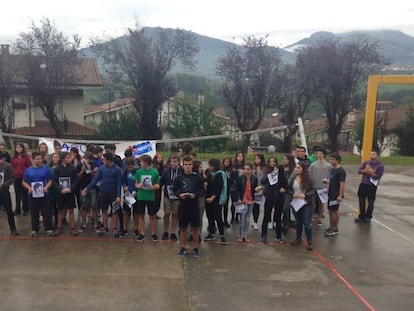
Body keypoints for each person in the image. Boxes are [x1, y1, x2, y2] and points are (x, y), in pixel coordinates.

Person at [82, 153, 122, 237]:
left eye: (103, 159)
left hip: (113, 193)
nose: (102, 161)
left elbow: (119, 183)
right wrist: (87, 188)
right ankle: (105, 227)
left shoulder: (117, 169)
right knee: (104, 210)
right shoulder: (102, 168)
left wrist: (118, 195)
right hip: (103, 192)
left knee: (114, 211)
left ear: (109, 160)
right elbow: (95, 180)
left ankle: (115, 228)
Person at [173, 156, 204, 257]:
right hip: (183, 206)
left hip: (194, 206)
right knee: (183, 228)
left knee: (195, 228)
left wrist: (195, 195)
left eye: (190, 164)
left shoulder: (198, 177)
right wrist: (179, 195)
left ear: (192, 165)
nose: (188, 167)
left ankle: (195, 248)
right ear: (183, 165)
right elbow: (174, 190)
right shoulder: (179, 178)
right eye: (186, 165)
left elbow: (202, 191)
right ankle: (183, 247)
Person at [22, 151, 54, 237]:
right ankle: (34, 229)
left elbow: (50, 180)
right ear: (32, 159)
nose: (39, 160)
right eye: (37, 159)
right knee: (34, 212)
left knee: (46, 212)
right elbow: (24, 182)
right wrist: (29, 188)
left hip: (44, 194)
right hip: (33, 195)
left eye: (40, 159)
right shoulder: (28, 170)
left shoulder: (46, 169)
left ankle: (48, 229)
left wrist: (46, 187)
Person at [288, 161, 315, 250]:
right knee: (298, 222)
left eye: (299, 168)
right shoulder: (293, 178)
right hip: (295, 202)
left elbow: (313, 191)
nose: (296, 169)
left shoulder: (309, 179)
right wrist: (292, 194)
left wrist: (306, 195)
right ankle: (298, 238)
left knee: (306, 223)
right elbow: (288, 189)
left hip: (306, 203)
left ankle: (309, 241)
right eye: (296, 167)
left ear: (303, 169)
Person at [260, 157, 287, 244]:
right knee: (266, 216)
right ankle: (264, 235)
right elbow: (263, 181)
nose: (272, 163)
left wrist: (283, 188)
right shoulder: (267, 172)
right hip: (270, 196)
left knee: (278, 216)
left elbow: (285, 184)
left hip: (279, 197)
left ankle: (279, 235)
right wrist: (271, 175)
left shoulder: (281, 173)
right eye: (270, 162)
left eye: (274, 162)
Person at [134, 154, 160, 242]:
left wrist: (154, 187)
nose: (140, 163)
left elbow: (157, 184)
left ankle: (153, 233)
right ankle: (142, 233)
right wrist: (138, 185)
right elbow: (136, 184)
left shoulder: (154, 172)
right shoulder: (138, 172)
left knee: (152, 216)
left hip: (150, 197)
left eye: (141, 162)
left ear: (146, 162)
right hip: (141, 196)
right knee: (141, 215)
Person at [53, 152, 79, 236]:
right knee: (60, 210)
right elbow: (55, 181)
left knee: (71, 210)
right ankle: (59, 227)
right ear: (63, 158)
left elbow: (76, 180)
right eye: (67, 157)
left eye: (70, 157)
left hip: (69, 192)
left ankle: (72, 227)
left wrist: (71, 189)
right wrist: (60, 189)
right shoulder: (57, 169)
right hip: (61, 193)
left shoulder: (72, 168)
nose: (69, 159)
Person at [356, 149, 385, 223]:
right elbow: (359, 171)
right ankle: (361, 216)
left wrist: (371, 172)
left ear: (377, 155)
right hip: (363, 183)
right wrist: (365, 170)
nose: (372, 156)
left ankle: (368, 216)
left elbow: (378, 176)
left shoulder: (380, 165)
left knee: (371, 201)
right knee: (361, 200)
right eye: (371, 154)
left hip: (372, 185)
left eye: (374, 154)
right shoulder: (366, 162)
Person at [204, 158, 226, 245]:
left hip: (216, 199)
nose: (209, 167)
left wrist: (213, 197)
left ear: (215, 166)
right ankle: (211, 232)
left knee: (218, 217)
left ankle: (222, 236)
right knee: (210, 216)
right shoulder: (209, 173)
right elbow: (207, 182)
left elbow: (219, 188)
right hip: (207, 198)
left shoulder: (220, 174)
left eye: (210, 166)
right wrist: (205, 182)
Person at [160, 154, 182, 241]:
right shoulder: (166, 171)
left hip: (177, 197)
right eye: (171, 161)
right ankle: (166, 231)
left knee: (175, 214)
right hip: (167, 196)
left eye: (175, 161)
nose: (173, 163)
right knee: (167, 213)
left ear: (178, 162)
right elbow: (162, 181)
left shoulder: (182, 171)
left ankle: (173, 232)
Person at [324, 153, 346, 237]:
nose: (330, 161)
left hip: (335, 194)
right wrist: (327, 186)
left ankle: (334, 228)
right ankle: (331, 227)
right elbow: (331, 180)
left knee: (334, 211)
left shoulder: (341, 171)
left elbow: (342, 184)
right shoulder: (332, 169)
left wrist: (340, 195)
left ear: (337, 160)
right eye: (330, 159)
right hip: (331, 193)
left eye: (332, 159)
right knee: (330, 211)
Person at [234, 163, 258, 242]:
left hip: (250, 200)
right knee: (242, 219)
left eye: (248, 169)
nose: (246, 171)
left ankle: (245, 235)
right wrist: (238, 198)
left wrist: (258, 193)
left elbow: (255, 189)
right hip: (242, 200)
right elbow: (236, 189)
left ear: (251, 170)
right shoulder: (240, 178)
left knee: (247, 219)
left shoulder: (254, 178)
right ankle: (241, 235)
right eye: (245, 169)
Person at [309, 147, 330, 225]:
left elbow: (329, 176)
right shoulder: (313, 165)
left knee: (321, 203)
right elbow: (309, 175)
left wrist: (327, 185)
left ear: (324, 154)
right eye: (317, 153)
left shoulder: (328, 165)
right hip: (314, 186)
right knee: (312, 203)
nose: (319, 155)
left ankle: (320, 218)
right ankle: (311, 217)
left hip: (323, 187)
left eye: (320, 153)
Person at [78, 152, 98, 232]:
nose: (88, 160)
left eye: (89, 159)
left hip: (92, 187)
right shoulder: (79, 165)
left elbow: (96, 177)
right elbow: (77, 178)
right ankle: (83, 224)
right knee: (83, 206)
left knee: (94, 205)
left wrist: (93, 171)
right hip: (82, 187)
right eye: (86, 159)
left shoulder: (93, 164)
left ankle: (96, 223)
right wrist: (82, 171)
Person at [11, 143, 32, 216]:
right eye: (17, 147)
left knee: (24, 194)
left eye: (20, 147)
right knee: (17, 194)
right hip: (16, 177)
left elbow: (29, 167)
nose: (18, 149)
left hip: (24, 178)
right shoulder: (13, 157)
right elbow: (12, 167)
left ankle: (25, 209)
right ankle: (17, 209)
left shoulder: (26, 157)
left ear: (22, 148)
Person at [0, 154, 19, 235]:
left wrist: (3, 185)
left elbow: (12, 178)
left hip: (4, 191)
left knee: (9, 210)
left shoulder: (7, 166)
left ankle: (13, 228)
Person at [121, 158, 139, 237]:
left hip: (137, 194)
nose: (130, 169)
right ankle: (124, 229)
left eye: (131, 167)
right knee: (126, 212)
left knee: (136, 212)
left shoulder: (139, 171)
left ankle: (136, 229)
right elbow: (123, 180)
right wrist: (124, 186)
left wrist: (136, 190)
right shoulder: (126, 171)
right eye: (129, 167)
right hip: (128, 194)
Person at [282, 154, 296, 234]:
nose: (284, 161)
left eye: (286, 160)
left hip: (289, 191)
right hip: (282, 191)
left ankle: (286, 224)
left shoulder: (293, 170)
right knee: (283, 209)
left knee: (286, 208)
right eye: (284, 159)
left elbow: (290, 181)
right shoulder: (282, 168)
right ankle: (283, 222)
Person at [230, 151, 245, 224]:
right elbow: (231, 176)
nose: (240, 158)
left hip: (241, 187)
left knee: (240, 202)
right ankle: (232, 217)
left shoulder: (244, 166)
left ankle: (237, 216)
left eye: (241, 156)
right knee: (233, 202)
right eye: (238, 156)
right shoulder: (233, 166)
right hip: (233, 186)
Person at [252, 153, 266, 230]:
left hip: (261, 190)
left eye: (258, 158)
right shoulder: (252, 168)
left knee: (259, 205)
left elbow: (266, 180)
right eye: (255, 158)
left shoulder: (265, 169)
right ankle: (255, 222)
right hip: (253, 190)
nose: (256, 160)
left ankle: (258, 222)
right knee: (254, 207)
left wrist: (262, 189)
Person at [153, 153, 165, 220]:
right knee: (154, 200)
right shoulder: (153, 167)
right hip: (154, 186)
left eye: (161, 158)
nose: (160, 159)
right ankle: (153, 213)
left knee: (158, 200)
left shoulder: (162, 166)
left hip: (160, 186)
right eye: (159, 158)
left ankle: (155, 213)